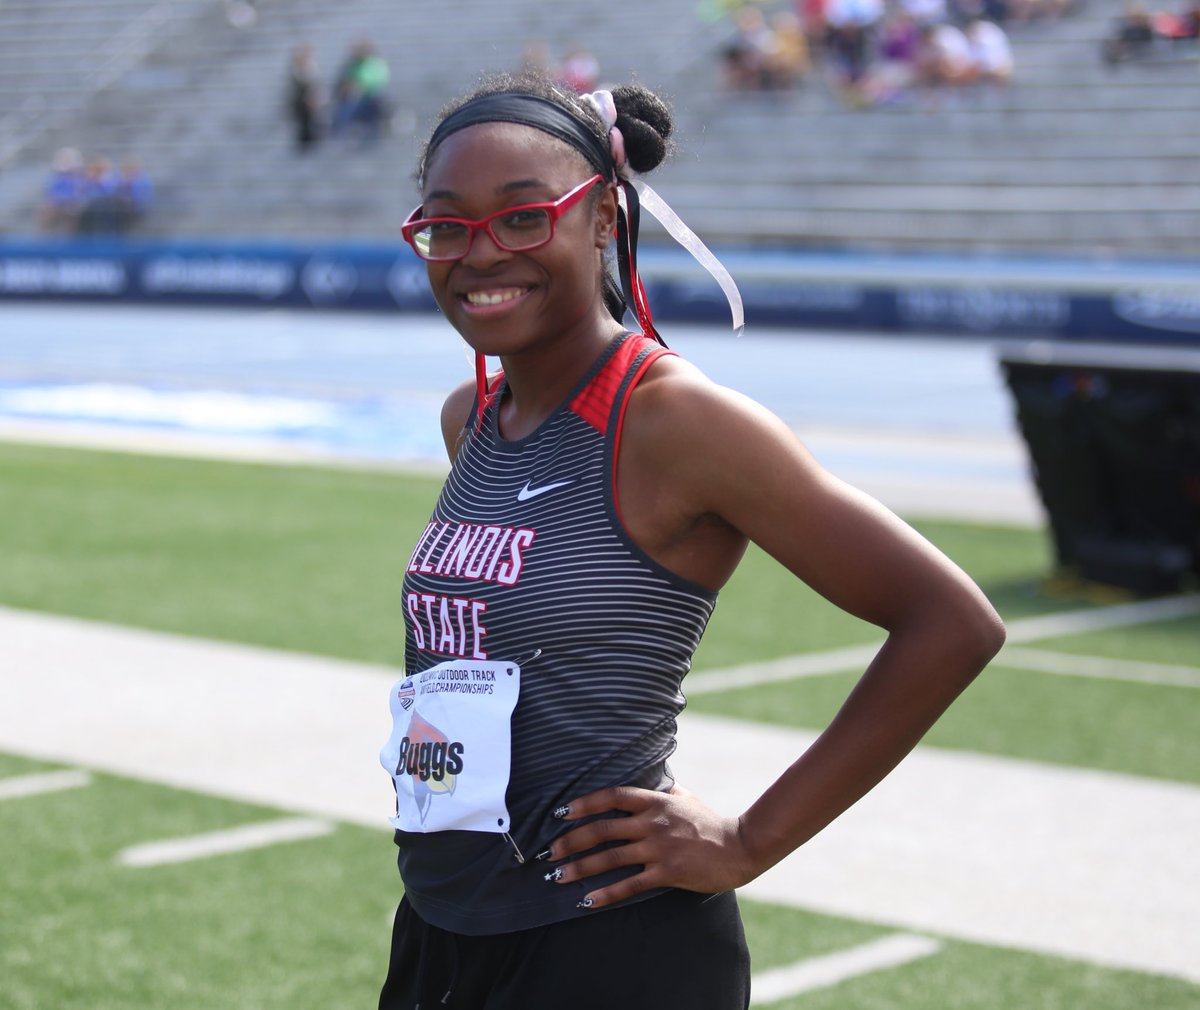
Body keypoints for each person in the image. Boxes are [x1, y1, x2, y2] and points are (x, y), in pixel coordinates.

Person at [378, 71, 1005, 1009]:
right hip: (443, 926)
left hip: (608, 945)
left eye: (523, 217)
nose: (480, 252)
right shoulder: (472, 417)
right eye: (448, 225)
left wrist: (751, 840)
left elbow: (951, 622)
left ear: (602, 218)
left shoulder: (675, 420)